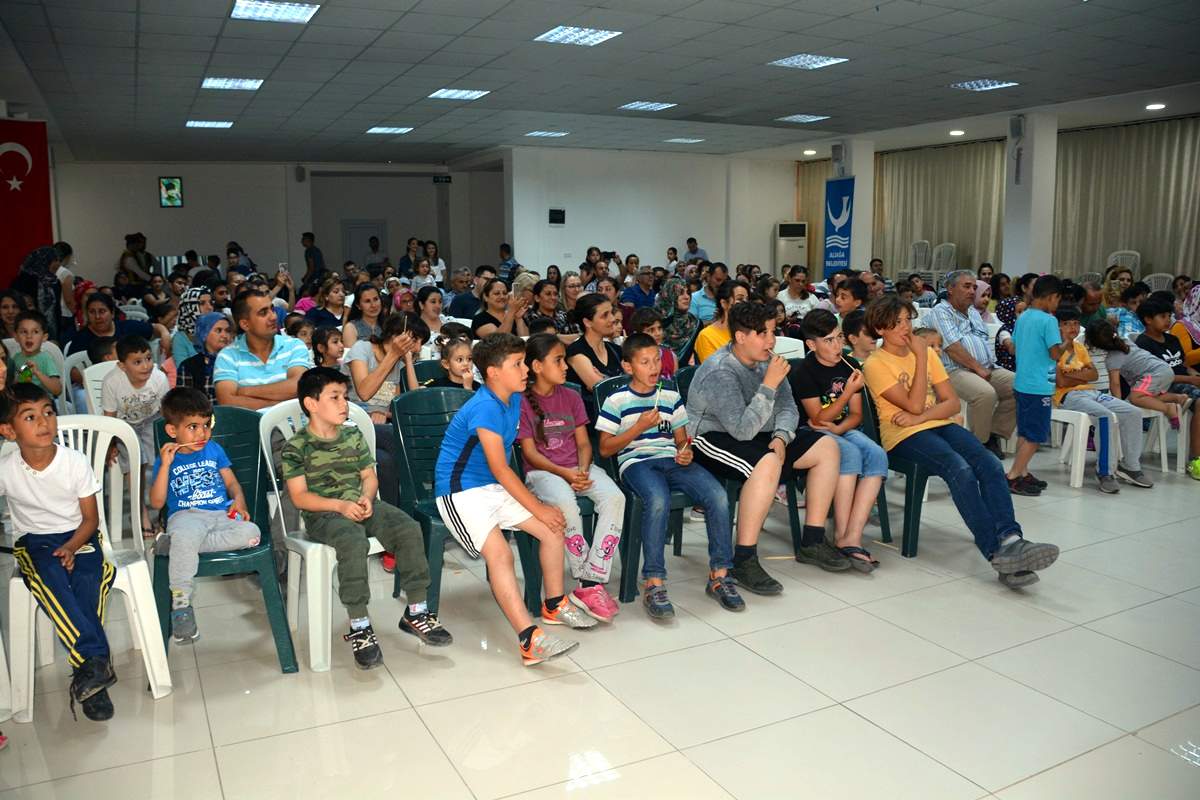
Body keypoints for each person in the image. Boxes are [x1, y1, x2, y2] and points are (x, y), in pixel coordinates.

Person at [861, 296, 1059, 587]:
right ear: (880, 329)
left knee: (989, 463)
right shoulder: (876, 363)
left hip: (932, 424)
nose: (906, 327)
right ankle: (995, 552)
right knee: (960, 469)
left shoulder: (927, 354)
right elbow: (914, 405)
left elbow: (952, 404)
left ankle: (1011, 539)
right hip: (902, 437)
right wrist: (918, 364)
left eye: (908, 320)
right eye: (898, 322)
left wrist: (920, 415)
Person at [435, 334, 595, 664]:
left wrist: (542, 509)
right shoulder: (485, 407)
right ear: (493, 373)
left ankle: (553, 604)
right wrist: (537, 506)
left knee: (553, 528)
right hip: (459, 491)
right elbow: (501, 467)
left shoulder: (515, 399)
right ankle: (528, 637)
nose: (526, 371)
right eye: (518, 365)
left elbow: (507, 467)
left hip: (492, 487)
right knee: (501, 554)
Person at [283, 367, 451, 667]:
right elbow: (299, 497)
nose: (344, 404)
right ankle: (360, 626)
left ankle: (416, 610)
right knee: (352, 540)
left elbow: (369, 476)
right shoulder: (297, 446)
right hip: (324, 514)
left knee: (408, 528)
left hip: (362, 504)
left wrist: (366, 495)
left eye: (345, 397)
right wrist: (339, 506)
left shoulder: (352, 435)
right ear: (311, 404)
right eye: (334, 397)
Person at [689, 304, 845, 577]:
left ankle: (813, 540)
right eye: (763, 333)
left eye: (773, 331)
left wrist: (782, 437)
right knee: (767, 462)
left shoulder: (767, 362)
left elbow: (788, 408)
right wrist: (769, 384)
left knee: (827, 447)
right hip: (710, 437)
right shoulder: (720, 370)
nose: (771, 341)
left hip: (761, 432)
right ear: (740, 337)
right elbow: (741, 430)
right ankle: (744, 558)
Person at [596, 334, 741, 616]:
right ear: (628, 367)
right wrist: (638, 427)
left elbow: (681, 440)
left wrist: (686, 451)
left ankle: (720, 574)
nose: (654, 367)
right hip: (636, 461)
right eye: (645, 362)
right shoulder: (617, 400)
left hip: (671, 460)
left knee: (717, 495)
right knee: (658, 499)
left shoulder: (671, 396)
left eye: (657, 360)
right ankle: (654, 581)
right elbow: (604, 449)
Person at [0, 383, 116, 720]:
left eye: (48, 412)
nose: (44, 422)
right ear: (8, 431)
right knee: (51, 579)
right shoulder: (7, 469)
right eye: (30, 416)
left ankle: (92, 672)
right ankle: (95, 663)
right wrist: (58, 550)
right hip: (35, 540)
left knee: (88, 581)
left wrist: (71, 546)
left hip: (80, 536)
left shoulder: (74, 462)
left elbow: (91, 520)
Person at [519, 334, 625, 622]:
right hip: (543, 472)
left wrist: (580, 470)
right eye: (558, 360)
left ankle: (592, 579)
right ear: (538, 367)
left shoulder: (572, 396)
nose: (565, 366)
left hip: (577, 467)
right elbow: (530, 453)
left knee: (615, 497)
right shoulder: (523, 402)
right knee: (565, 504)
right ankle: (584, 576)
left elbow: (584, 444)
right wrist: (565, 474)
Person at [148, 387, 261, 642]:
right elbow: (156, 502)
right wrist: (165, 466)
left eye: (205, 425)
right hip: (186, 516)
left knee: (252, 534)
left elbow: (232, 484)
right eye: (193, 427)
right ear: (172, 431)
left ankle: (176, 545)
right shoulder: (167, 459)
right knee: (186, 535)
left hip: (220, 515)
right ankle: (181, 605)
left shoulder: (215, 450)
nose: (202, 433)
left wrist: (239, 502)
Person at [792, 310, 887, 570]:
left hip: (839, 428)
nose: (838, 346)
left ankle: (851, 537)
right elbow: (818, 417)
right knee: (849, 452)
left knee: (877, 454)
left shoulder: (849, 364)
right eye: (829, 341)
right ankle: (841, 536)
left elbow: (855, 416)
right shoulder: (805, 371)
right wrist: (847, 393)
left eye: (839, 338)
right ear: (812, 344)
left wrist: (839, 428)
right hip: (810, 433)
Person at [930, 270, 1016, 458]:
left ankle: (994, 434)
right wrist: (978, 368)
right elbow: (952, 346)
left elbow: (983, 340)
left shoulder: (973, 312)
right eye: (966, 286)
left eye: (974, 287)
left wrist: (986, 367)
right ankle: (977, 446)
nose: (972, 291)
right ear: (950, 289)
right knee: (985, 394)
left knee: (1018, 385)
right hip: (953, 369)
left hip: (986, 367)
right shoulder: (940, 311)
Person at [1053, 306, 1139, 493]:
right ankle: (1105, 472)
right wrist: (1081, 373)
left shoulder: (1079, 346)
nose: (1073, 328)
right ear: (1057, 326)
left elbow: (1093, 375)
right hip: (1068, 395)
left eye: (1076, 323)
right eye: (1067, 324)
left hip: (1092, 392)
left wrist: (1074, 374)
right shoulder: (1053, 349)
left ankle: (1130, 466)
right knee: (1104, 416)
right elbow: (1060, 381)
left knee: (1132, 411)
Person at [1005, 276, 1066, 495]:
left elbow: (1014, 346)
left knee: (1025, 431)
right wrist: (1067, 341)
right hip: (1039, 386)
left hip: (1022, 383)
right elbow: (1055, 353)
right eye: (1058, 300)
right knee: (1034, 436)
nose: (1057, 305)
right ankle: (1012, 476)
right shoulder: (1048, 320)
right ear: (1052, 297)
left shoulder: (1024, 316)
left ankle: (1022, 472)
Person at [214, 290, 312, 411]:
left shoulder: (294, 346)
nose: (274, 316)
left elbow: (298, 386)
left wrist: (245, 391)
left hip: (294, 427)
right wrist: (281, 403)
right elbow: (227, 401)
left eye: (272, 309)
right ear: (245, 324)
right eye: (263, 313)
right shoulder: (228, 356)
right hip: (250, 427)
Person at [566, 294, 624, 420]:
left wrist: (605, 379)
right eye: (605, 315)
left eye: (611, 313)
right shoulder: (576, 352)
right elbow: (601, 390)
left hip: (622, 418)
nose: (613, 319)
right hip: (593, 423)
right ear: (587, 322)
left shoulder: (616, 350)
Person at [177, 312, 231, 402]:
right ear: (204, 334)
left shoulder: (236, 361)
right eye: (218, 330)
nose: (224, 335)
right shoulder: (188, 366)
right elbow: (183, 403)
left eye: (227, 331)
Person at [13, 246, 62, 343]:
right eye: (55, 260)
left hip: (51, 328)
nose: (58, 264)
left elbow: (56, 309)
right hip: (28, 327)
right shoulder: (23, 281)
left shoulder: (54, 282)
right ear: (44, 260)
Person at [11, 311, 62, 397]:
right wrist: (22, 377)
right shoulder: (16, 358)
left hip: (44, 403)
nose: (29, 336)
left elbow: (57, 390)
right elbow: (13, 386)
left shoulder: (46, 358)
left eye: (35, 332)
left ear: (44, 337)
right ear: (16, 336)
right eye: (24, 332)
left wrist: (37, 373)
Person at [694, 282, 747, 362]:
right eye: (740, 299)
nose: (746, 304)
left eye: (747, 300)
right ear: (724, 303)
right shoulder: (707, 336)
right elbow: (713, 371)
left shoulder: (749, 332)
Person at [655, 276, 699, 357]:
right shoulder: (655, 322)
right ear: (670, 295)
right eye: (680, 293)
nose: (687, 297)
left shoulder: (695, 323)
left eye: (688, 293)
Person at [630, 307, 677, 379]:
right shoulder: (632, 360)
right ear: (638, 334)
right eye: (651, 330)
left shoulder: (671, 356)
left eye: (659, 328)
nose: (658, 333)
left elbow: (675, 386)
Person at [171, 287, 213, 366]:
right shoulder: (180, 339)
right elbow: (184, 371)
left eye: (211, 302)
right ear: (189, 308)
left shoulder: (218, 330)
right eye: (202, 303)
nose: (209, 307)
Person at [54, 241, 77, 342]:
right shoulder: (65, 273)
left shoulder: (49, 270)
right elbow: (68, 300)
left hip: (54, 314)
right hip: (65, 315)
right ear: (68, 257)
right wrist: (76, 313)